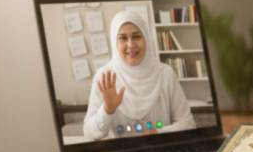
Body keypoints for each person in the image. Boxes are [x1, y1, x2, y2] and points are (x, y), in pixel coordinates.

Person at [82, 11, 196, 140]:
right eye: (123, 38)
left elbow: (188, 124)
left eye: (136, 36)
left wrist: (158, 133)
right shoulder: (105, 77)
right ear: (115, 43)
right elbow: (89, 134)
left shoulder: (166, 74)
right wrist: (107, 110)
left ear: (146, 38)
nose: (131, 44)